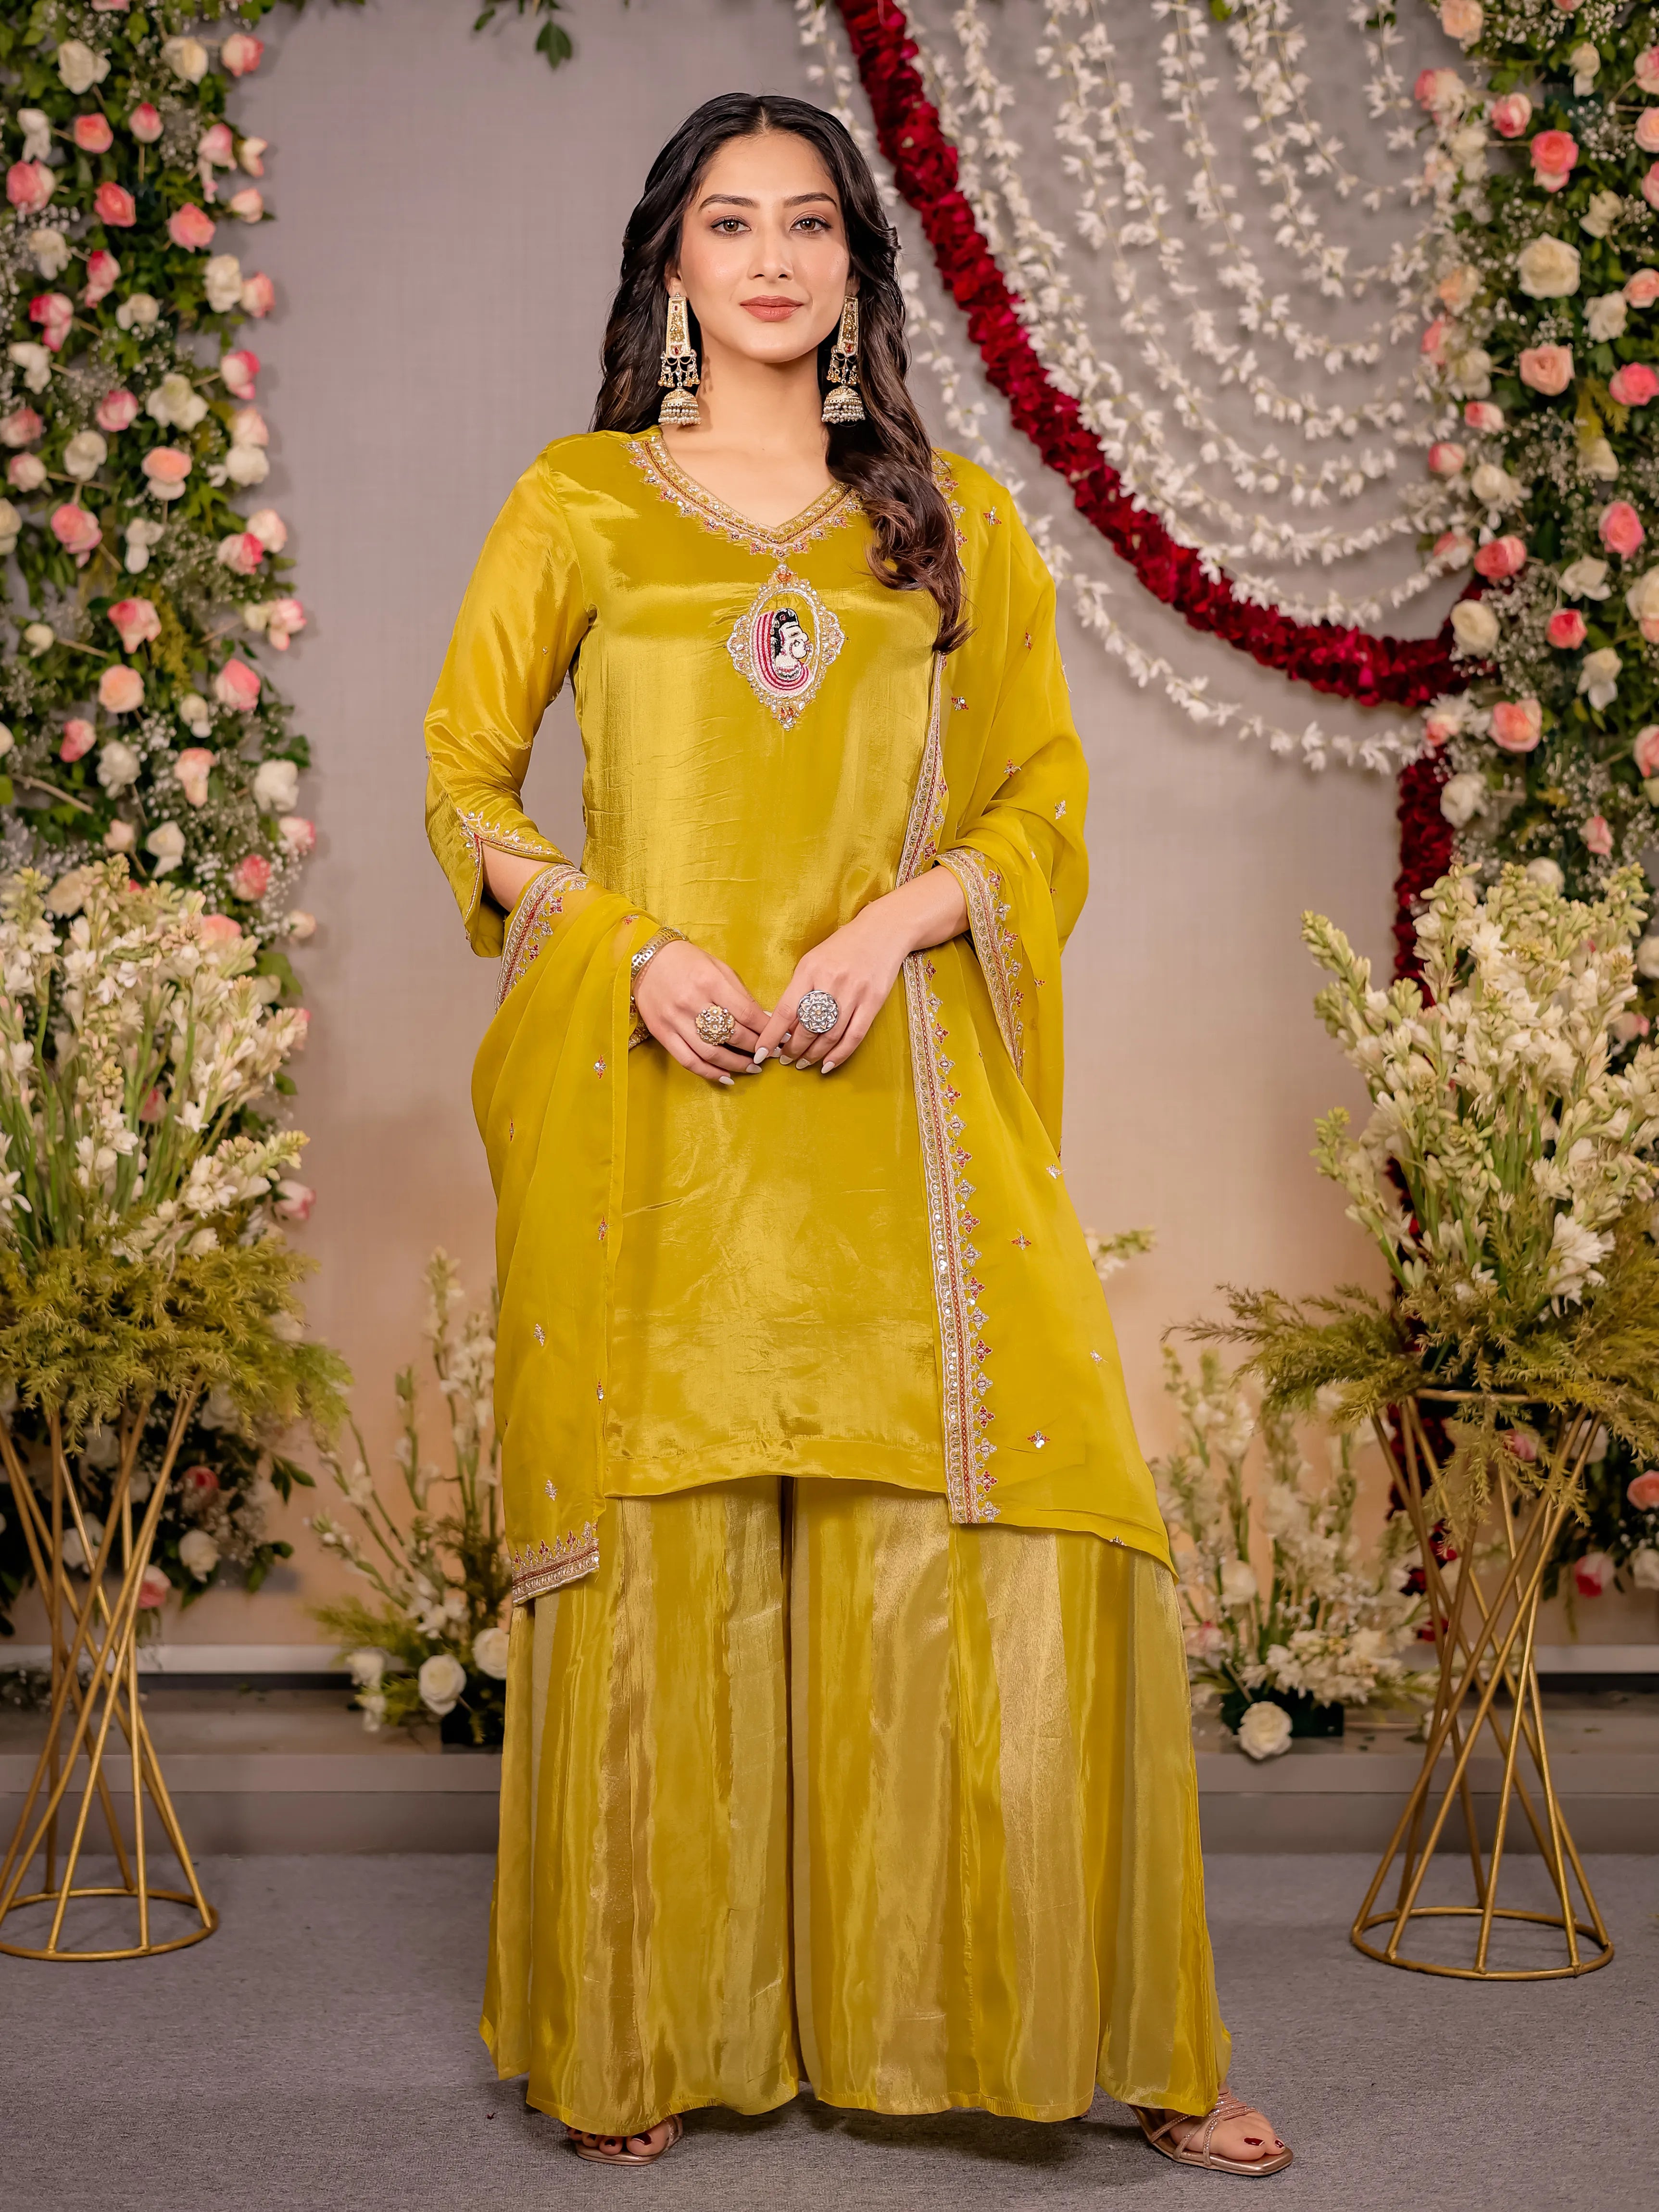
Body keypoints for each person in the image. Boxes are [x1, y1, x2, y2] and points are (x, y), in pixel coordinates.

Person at [423, 92, 1290, 2180]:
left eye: (808, 223)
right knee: (668, 1546)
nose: (772, 259)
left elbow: (1039, 805)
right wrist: (622, 950)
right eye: (729, 224)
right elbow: (466, 784)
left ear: (852, 272)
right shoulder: (579, 504)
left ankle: (1078, 2035)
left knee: (1005, 1526)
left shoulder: (949, 523)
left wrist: (904, 925)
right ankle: (644, 2029)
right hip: (668, 1115)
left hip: (896, 1102)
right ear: (671, 267)